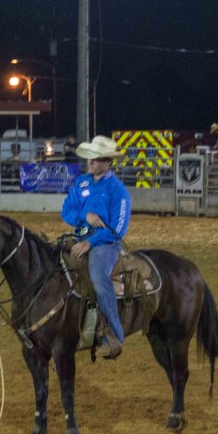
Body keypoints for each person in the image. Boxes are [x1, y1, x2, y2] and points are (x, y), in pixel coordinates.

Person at [61, 135, 131, 359]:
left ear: (108, 161)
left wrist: (90, 242)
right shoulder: (81, 182)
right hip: (80, 239)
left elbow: (117, 229)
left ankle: (114, 336)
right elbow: (66, 211)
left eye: (96, 157)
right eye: (90, 156)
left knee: (99, 278)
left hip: (105, 245)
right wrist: (85, 215)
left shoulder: (118, 191)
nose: (90, 161)